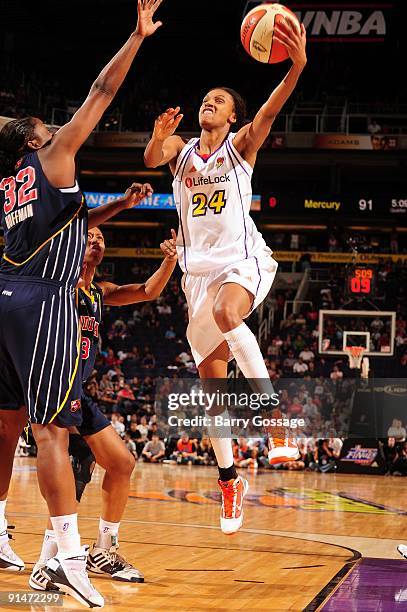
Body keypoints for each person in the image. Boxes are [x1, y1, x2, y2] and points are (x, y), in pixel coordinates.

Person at [0, 1, 164, 605]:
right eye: (47, 127)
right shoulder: (53, 155)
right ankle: (68, 558)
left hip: (6, 295)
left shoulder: (10, 182)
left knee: (23, 426)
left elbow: (64, 224)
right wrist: (136, 36)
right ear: (37, 139)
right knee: (50, 435)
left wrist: (116, 207)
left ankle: (27, 542)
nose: (54, 130)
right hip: (43, 301)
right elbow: (100, 89)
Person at [144, 17, 307, 534]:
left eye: (219, 100)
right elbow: (152, 158)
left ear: (233, 114)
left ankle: (275, 420)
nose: (208, 103)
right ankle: (230, 479)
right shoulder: (183, 150)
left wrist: (296, 67)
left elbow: (270, 111)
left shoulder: (241, 146)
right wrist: (156, 137)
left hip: (242, 259)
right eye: (206, 99)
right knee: (213, 391)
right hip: (196, 273)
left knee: (226, 311)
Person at [29, 222, 177, 590]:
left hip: (77, 389)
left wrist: (169, 262)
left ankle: (102, 549)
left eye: (101, 238)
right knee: (75, 470)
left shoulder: (99, 292)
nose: (96, 240)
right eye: (89, 236)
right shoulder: (56, 285)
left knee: (122, 462)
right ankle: (47, 562)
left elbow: (146, 290)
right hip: (51, 385)